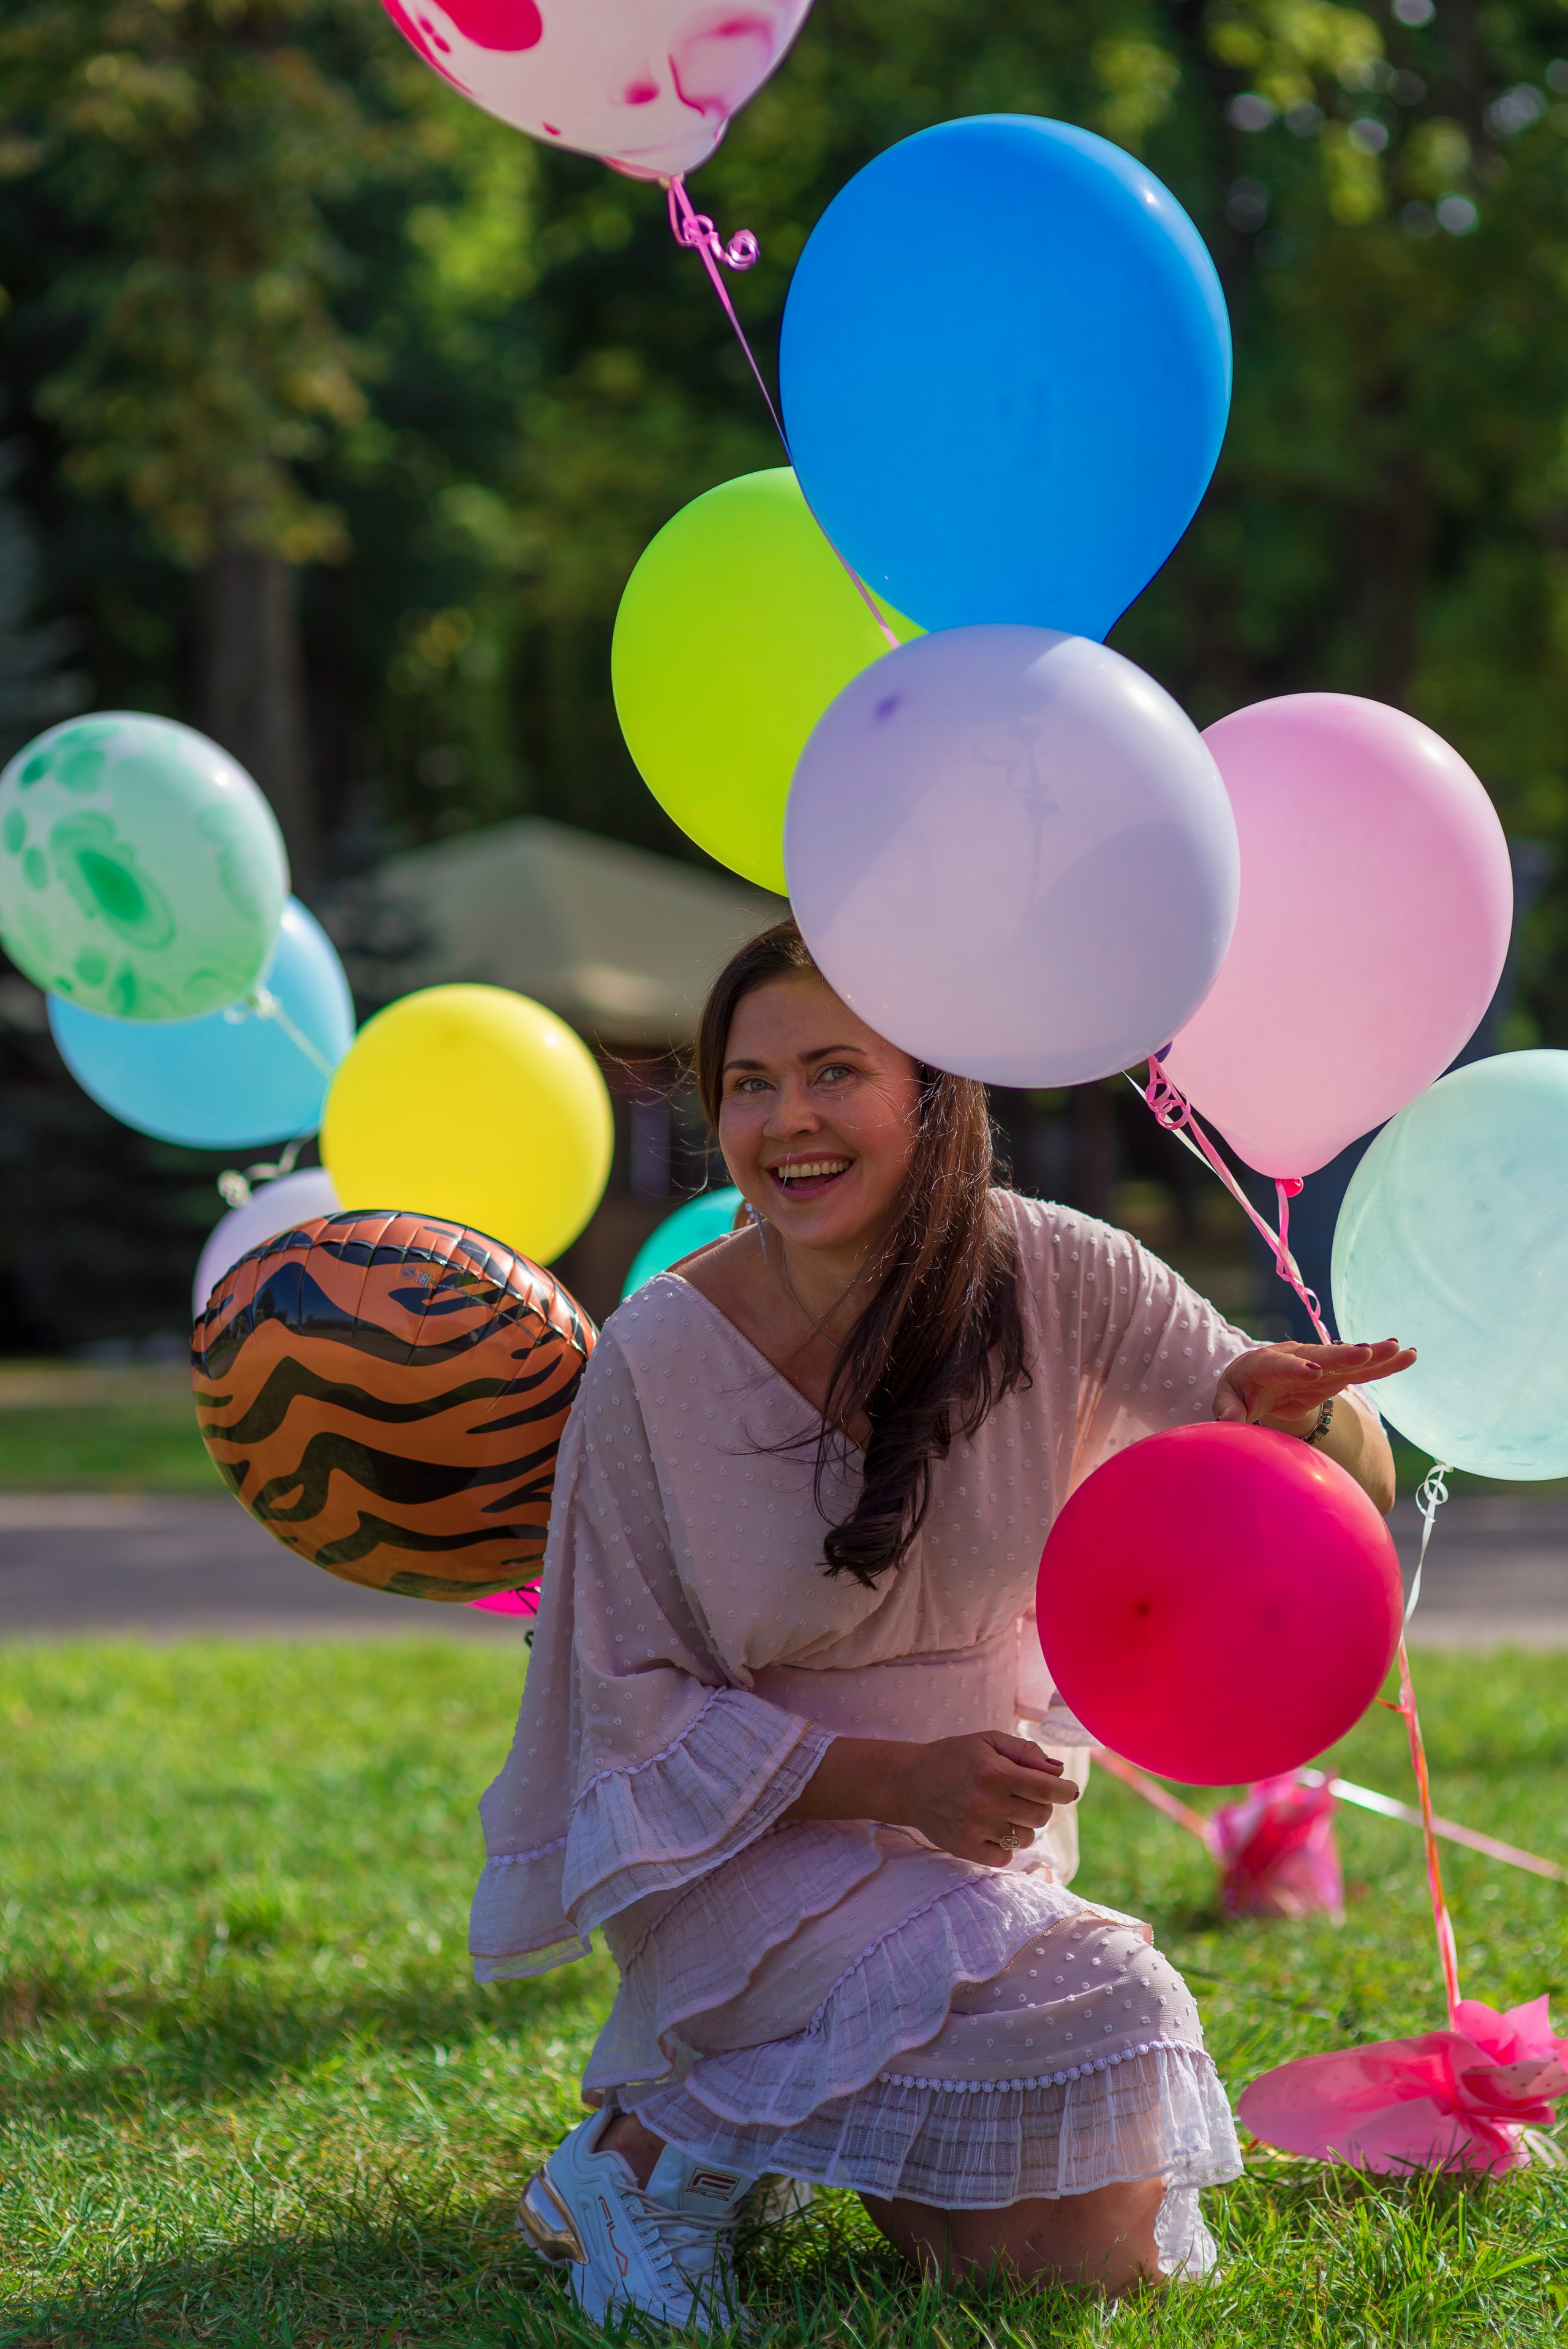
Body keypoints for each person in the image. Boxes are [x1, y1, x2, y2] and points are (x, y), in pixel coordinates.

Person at [470, 919, 1412, 2330]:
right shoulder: (654, 1359)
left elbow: (1352, 1477)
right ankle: (638, 2160)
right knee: (1116, 1994)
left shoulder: (1061, 1274)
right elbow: (620, 1709)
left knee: (1077, 2256)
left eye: (833, 1071)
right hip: (744, 1855)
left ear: (931, 1090)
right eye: (748, 1083)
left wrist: (1308, 1421)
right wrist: (895, 1780)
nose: (787, 1118)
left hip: (983, 1849)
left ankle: (758, 2129)